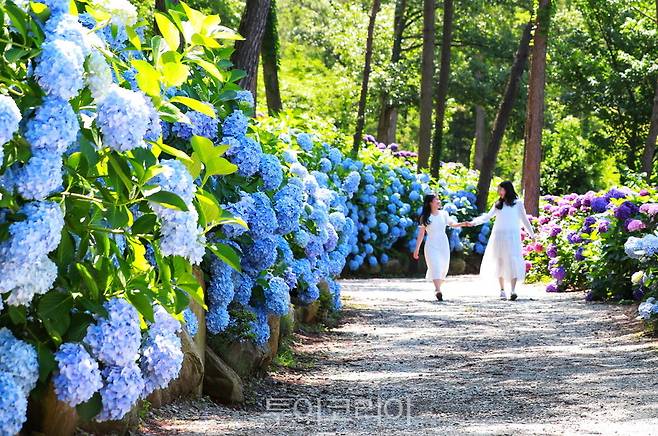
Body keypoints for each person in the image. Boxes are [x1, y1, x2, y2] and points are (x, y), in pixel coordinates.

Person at [464, 181, 535, 301]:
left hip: (512, 237)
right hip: (499, 237)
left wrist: (532, 234)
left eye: (501, 189)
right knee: (500, 261)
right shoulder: (498, 205)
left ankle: (513, 290)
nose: (499, 192)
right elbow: (487, 217)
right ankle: (502, 290)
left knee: (513, 260)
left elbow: (524, 220)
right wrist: (473, 222)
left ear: (507, 190)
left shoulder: (517, 204)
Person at [413, 194, 466, 301]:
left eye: (438, 199)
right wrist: (417, 249)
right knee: (435, 265)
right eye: (436, 199)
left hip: (443, 244)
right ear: (430, 203)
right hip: (431, 245)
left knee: (443, 266)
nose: (438, 201)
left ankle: (438, 287)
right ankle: (438, 290)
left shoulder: (444, 214)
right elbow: (421, 234)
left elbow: (452, 224)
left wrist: (463, 224)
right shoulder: (425, 217)